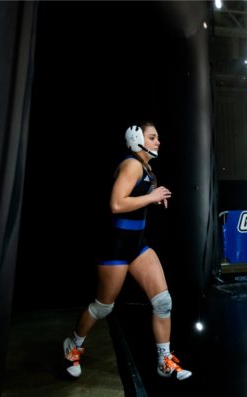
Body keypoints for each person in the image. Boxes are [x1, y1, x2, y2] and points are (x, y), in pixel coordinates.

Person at [62, 121, 192, 381]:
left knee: (163, 301)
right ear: (137, 139)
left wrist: (154, 194)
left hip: (137, 246)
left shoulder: (146, 168)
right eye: (153, 137)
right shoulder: (132, 165)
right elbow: (116, 203)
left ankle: (164, 361)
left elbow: (139, 195)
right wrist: (151, 198)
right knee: (102, 308)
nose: (158, 142)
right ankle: (73, 346)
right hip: (116, 247)